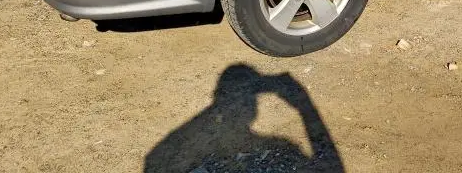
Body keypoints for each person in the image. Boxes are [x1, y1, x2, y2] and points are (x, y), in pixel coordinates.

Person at [144, 64, 343, 173]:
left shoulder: (155, 156)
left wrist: (217, 106)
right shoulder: (284, 146)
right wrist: (305, 107)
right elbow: (333, 166)